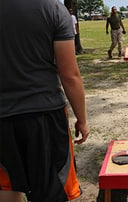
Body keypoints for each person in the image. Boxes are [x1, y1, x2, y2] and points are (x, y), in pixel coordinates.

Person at [0, 0, 90, 201]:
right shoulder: (53, 9)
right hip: (45, 113)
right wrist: (82, 119)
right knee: (51, 188)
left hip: (3, 117)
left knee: (7, 187)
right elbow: (69, 75)